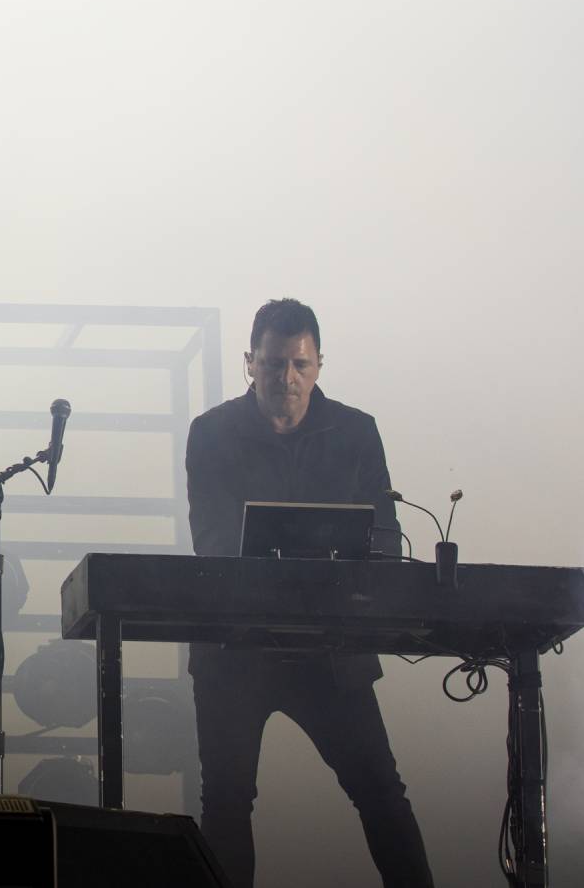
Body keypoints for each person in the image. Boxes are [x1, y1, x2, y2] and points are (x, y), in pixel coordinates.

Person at [184, 298, 434, 888]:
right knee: (226, 801)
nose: (286, 379)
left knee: (380, 792)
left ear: (319, 363)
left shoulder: (356, 432)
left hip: (332, 650)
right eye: (273, 364)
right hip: (236, 649)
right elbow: (213, 541)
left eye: (299, 365)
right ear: (249, 363)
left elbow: (384, 538)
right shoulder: (211, 433)